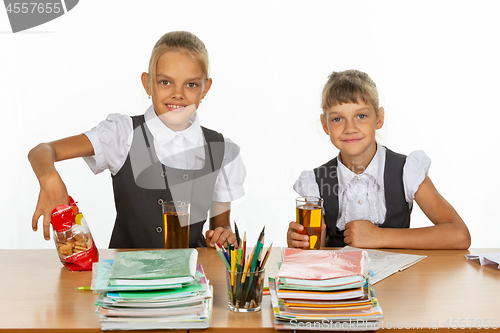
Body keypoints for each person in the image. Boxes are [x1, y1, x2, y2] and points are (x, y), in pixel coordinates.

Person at [29, 31, 245, 249]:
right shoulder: (123, 134)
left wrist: (222, 236)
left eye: (191, 85)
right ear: (148, 84)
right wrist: (49, 178)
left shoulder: (220, 150)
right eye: (165, 82)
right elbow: (43, 150)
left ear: (205, 88)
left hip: (191, 280)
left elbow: (221, 226)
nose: (178, 94)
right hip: (126, 280)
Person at [287, 69, 470, 249]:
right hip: (342, 279)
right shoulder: (316, 182)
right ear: (325, 125)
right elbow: (315, 250)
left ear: (379, 119)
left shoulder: (406, 171)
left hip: (398, 279)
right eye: (337, 119)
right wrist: (300, 242)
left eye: (361, 116)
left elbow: (459, 235)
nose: (350, 127)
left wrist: (380, 236)